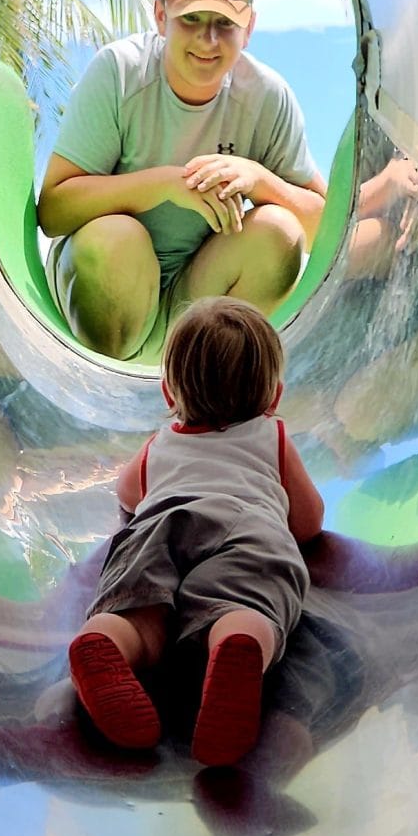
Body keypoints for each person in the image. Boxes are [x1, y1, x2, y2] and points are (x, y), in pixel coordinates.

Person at [37, 0, 327, 362]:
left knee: (280, 230)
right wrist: (168, 184)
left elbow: (323, 225)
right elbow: (53, 212)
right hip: (103, 299)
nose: (208, 40)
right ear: (161, 15)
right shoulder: (120, 72)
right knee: (117, 238)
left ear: (248, 29)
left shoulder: (266, 96)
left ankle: (202, 388)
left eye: (225, 23)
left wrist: (259, 179)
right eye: (191, 20)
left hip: (195, 305)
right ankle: (112, 394)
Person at [67, 296, 325, 766]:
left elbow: (128, 496)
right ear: (274, 397)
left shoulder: (156, 447)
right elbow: (308, 522)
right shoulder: (274, 437)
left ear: (169, 394)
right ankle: (236, 639)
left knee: (139, 616)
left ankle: (109, 639)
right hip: (246, 528)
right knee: (246, 603)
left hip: (159, 524)